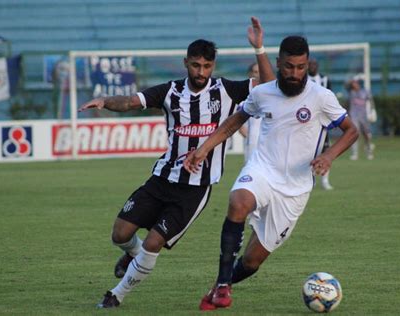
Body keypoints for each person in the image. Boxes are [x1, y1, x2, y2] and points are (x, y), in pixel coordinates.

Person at [78, 17, 274, 308]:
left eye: (207, 66)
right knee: (120, 234)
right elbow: (132, 101)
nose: (201, 71)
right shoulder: (170, 92)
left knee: (153, 243)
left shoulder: (226, 90)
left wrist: (259, 48)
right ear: (186, 63)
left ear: (213, 65)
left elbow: (269, 86)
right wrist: (106, 100)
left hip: (195, 189)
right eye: (196, 65)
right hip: (162, 179)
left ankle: (116, 294)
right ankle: (132, 256)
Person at [184, 35, 358, 311]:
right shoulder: (263, 93)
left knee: (252, 261)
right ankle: (222, 286)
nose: (295, 73)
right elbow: (234, 121)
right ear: (279, 63)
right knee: (238, 202)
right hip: (262, 170)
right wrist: (204, 148)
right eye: (289, 66)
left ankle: (222, 283)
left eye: (300, 67)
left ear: (307, 65)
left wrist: (328, 155)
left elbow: (352, 130)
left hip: (295, 189)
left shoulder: (321, 98)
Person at [308, 58, 334, 189]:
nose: (312, 67)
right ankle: (309, 180)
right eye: (310, 64)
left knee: (325, 150)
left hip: (322, 123)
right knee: (308, 152)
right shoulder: (303, 80)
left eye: (314, 64)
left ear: (317, 66)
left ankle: (325, 181)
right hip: (307, 122)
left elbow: (330, 98)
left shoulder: (325, 79)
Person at [346, 77, 375, 160]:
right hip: (354, 116)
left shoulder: (365, 92)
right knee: (354, 134)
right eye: (353, 83)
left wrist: (372, 111)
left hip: (364, 117)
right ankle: (354, 153)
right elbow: (346, 85)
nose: (354, 85)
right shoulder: (351, 92)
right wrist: (351, 80)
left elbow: (371, 101)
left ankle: (369, 150)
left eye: (355, 83)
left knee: (366, 134)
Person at [239, 62, 262, 162]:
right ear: (250, 74)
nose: (257, 75)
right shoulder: (244, 96)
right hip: (251, 142)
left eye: (259, 72)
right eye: (255, 72)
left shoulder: (270, 94)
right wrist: (249, 136)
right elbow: (236, 119)